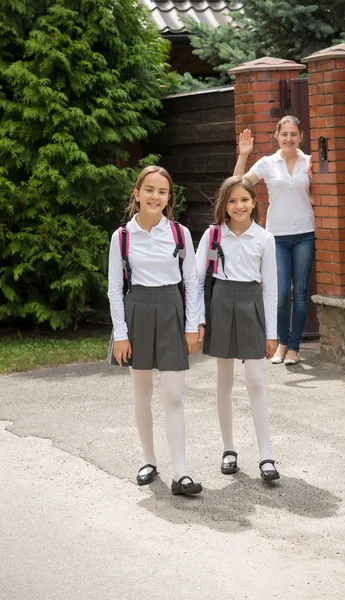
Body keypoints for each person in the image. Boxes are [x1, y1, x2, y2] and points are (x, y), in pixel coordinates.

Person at [108, 165, 204, 496]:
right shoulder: (121, 237)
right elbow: (114, 290)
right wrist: (120, 333)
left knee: (173, 396)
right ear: (137, 194)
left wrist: (192, 325)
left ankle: (181, 474)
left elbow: (191, 281)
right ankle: (148, 461)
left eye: (162, 191)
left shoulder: (179, 235)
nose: (155, 196)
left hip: (172, 312)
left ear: (168, 198)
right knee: (142, 394)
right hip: (137, 312)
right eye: (149, 189)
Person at [196, 175, 280, 481]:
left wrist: (272, 333)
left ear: (254, 203)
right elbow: (195, 279)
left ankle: (266, 455)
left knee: (255, 381)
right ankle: (229, 449)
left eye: (244, 199)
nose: (239, 205)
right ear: (224, 205)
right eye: (232, 201)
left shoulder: (265, 239)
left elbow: (270, 287)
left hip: (251, 304)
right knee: (224, 380)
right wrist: (197, 320)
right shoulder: (213, 236)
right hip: (222, 302)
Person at [234, 116, 314, 365]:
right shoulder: (267, 163)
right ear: (277, 136)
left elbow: (317, 195)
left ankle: (293, 348)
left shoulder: (309, 162)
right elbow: (236, 185)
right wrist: (243, 155)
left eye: (293, 134)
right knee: (279, 293)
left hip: (305, 233)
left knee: (299, 293)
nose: (289, 139)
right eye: (284, 134)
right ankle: (281, 342)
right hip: (276, 237)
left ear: (301, 136)